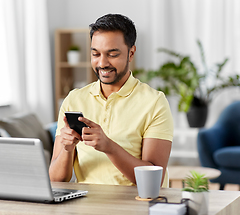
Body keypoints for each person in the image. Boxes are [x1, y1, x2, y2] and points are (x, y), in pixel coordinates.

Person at [49, 14, 173, 187]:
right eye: (96, 54)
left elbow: (154, 180)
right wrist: (66, 149)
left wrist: (109, 147)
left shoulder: (154, 102)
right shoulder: (74, 99)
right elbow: (56, 180)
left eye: (112, 54)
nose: (102, 63)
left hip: (136, 206)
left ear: (131, 53)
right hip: (85, 206)